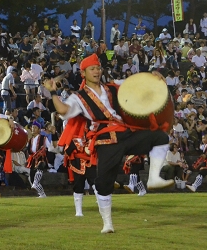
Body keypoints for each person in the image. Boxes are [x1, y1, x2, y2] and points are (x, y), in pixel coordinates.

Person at [43, 53, 172, 233]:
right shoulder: (79, 97)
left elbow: (134, 83)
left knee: (161, 137)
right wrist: (53, 92)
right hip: (106, 140)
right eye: (92, 69)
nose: (96, 71)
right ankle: (108, 223)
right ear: (83, 73)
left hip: (126, 132)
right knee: (103, 183)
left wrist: (153, 75)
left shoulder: (112, 86)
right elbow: (63, 109)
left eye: (98, 68)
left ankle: (154, 177)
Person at [26, 121, 49, 198]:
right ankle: (42, 194)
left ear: (39, 130)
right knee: (32, 177)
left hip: (41, 157)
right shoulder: (30, 140)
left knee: (39, 168)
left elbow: (48, 147)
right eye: (32, 127)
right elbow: (29, 150)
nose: (33, 129)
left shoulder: (43, 138)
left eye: (35, 128)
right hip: (33, 159)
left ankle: (36, 183)